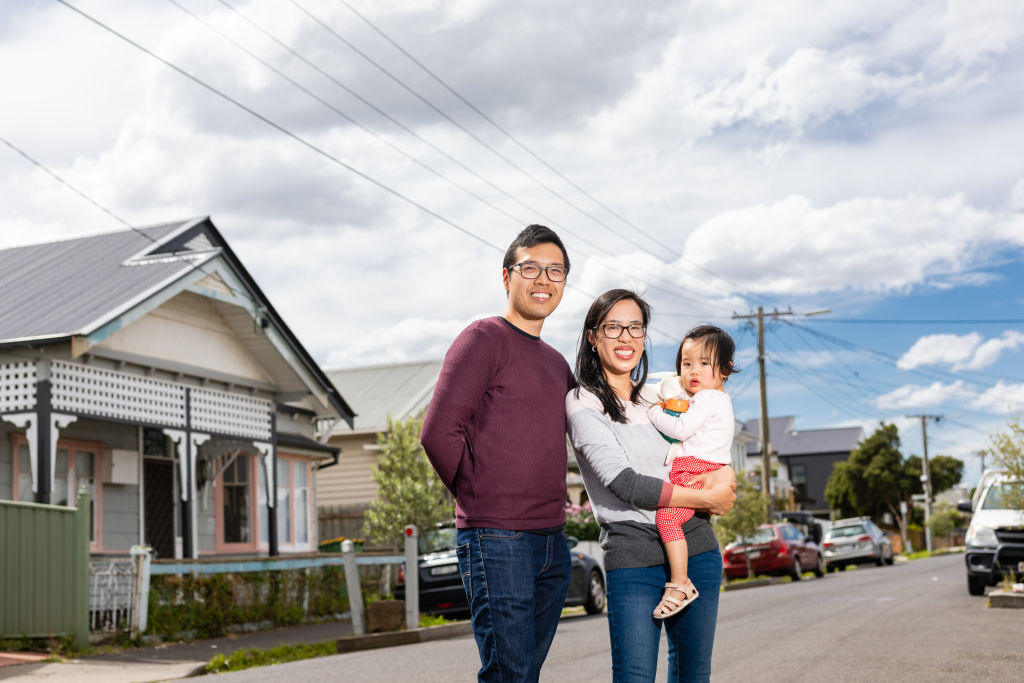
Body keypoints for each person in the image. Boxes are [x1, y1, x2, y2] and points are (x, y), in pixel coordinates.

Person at [420, 224, 576, 682]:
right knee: (509, 674)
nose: (543, 279)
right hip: (497, 538)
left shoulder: (556, 363)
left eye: (556, 271)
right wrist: (479, 496)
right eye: (531, 268)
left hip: (553, 541)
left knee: (524, 673)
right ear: (507, 277)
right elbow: (437, 433)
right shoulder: (483, 338)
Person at [565, 289, 736, 683]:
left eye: (635, 327)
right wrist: (706, 495)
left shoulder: (661, 397)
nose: (626, 337)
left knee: (694, 676)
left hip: (698, 548)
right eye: (613, 327)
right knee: (635, 676)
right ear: (592, 336)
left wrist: (725, 480)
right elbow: (625, 484)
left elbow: (711, 444)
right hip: (633, 556)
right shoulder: (582, 402)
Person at [646, 325, 739, 619]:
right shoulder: (719, 399)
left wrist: (655, 412)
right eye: (686, 364)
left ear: (725, 369)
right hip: (703, 469)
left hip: (696, 471)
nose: (693, 371)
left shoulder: (708, 398)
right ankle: (679, 581)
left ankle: (680, 583)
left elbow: (681, 428)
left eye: (703, 363)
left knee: (667, 518)